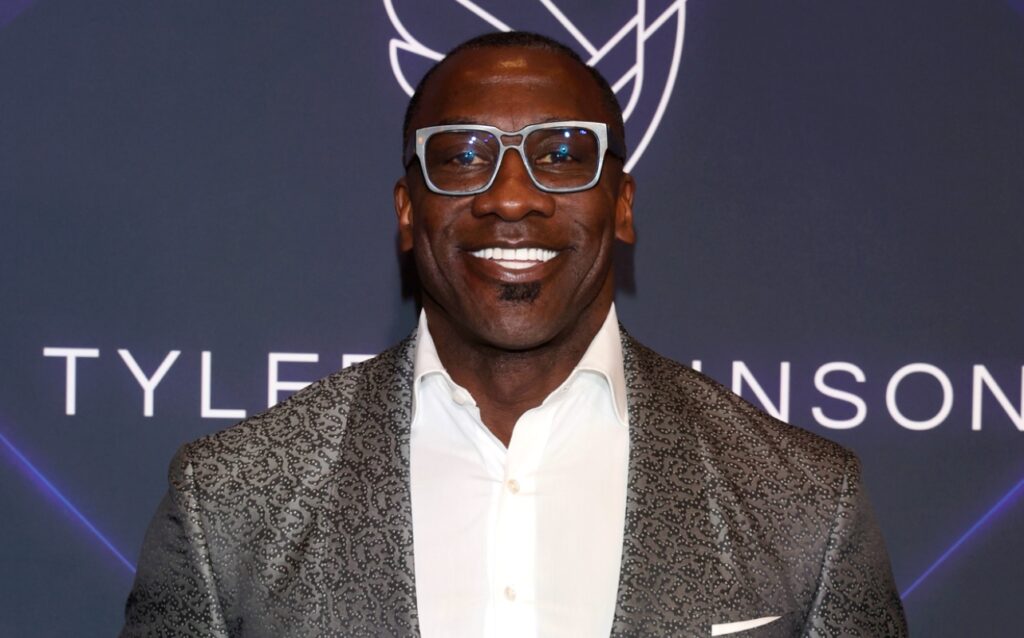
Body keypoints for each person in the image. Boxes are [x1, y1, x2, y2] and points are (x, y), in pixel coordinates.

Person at [122, 31, 907, 637]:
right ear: (407, 212)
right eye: (462, 156)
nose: (510, 196)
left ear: (622, 205)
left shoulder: (805, 502)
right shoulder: (230, 497)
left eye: (561, 155)